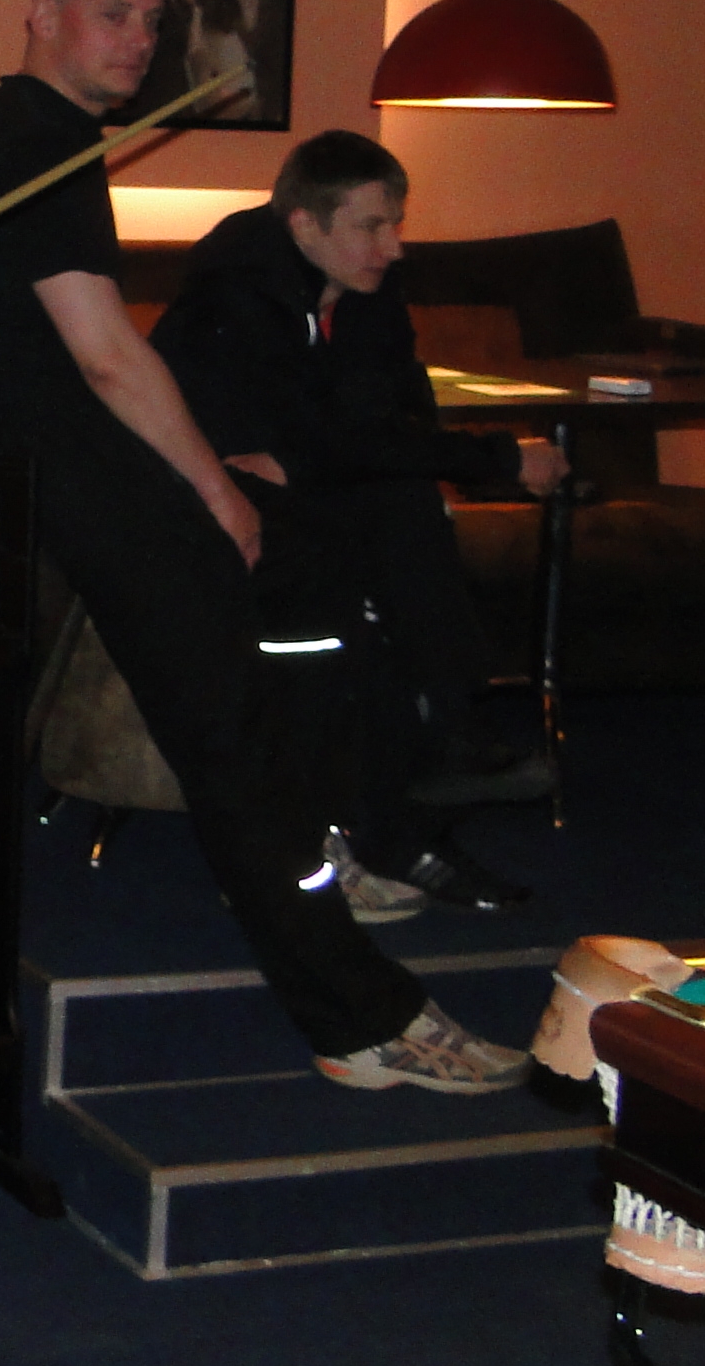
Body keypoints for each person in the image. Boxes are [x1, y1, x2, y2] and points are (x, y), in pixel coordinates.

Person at [0, 0, 532, 1093]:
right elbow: (105, 357)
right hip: (99, 495)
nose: (139, 39)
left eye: (153, 21)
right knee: (233, 748)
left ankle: (344, 843)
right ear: (41, 14)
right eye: (113, 13)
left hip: (48, 486)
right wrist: (211, 492)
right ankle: (360, 1016)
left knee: (312, 586)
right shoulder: (43, 145)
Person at [149, 131, 567, 912]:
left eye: (396, 224)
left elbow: (375, 421)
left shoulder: (367, 291)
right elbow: (259, 442)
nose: (393, 247)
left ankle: (440, 742)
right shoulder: (233, 295)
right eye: (372, 227)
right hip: (197, 503)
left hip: (305, 491)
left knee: (403, 509)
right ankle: (417, 782)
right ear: (305, 226)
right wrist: (496, 459)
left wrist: (371, 457)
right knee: (349, 564)